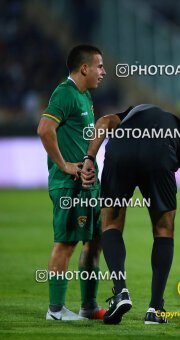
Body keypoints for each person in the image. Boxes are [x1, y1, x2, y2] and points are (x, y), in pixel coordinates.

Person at [80, 104, 180, 325]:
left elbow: (103, 122)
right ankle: (155, 309)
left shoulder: (129, 115)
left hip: (121, 150)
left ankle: (121, 293)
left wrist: (89, 158)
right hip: (159, 154)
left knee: (111, 225)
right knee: (164, 229)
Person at [37, 45, 107, 321]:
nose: (103, 71)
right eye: (99, 66)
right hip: (69, 186)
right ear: (84, 68)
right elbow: (44, 129)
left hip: (89, 184)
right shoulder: (65, 93)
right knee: (66, 245)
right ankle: (55, 310)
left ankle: (88, 306)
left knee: (94, 241)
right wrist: (64, 165)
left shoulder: (85, 96)